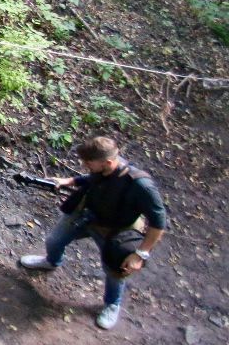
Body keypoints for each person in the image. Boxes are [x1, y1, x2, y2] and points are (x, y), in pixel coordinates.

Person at [19, 136, 167, 330]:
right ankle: (51, 261)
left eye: (89, 163)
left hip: (116, 229)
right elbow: (91, 178)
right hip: (87, 215)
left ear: (108, 162)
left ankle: (112, 304)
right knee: (55, 240)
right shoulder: (102, 169)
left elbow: (159, 223)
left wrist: (140, 254)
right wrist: (69, 181)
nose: (85, 165)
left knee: (116, 270)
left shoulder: (141, 185)